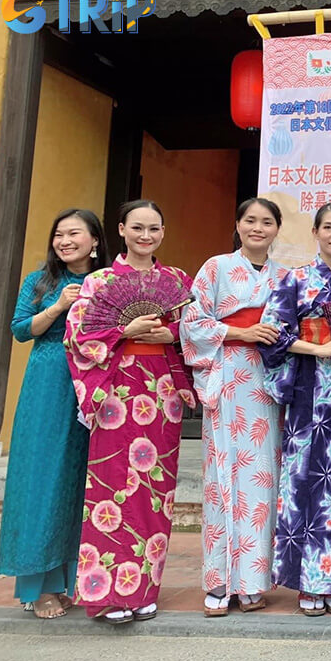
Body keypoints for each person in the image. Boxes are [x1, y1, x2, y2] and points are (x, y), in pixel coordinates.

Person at [65, 200, 196, 624]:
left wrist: (169, 330)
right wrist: (126, 330)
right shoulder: (101, 281)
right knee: (112, 486)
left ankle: (144, 589)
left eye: (154, 229)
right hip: (117, 392)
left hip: (162, 392)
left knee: (156, 491)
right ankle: (108, 594)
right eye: (137, 228)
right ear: (121, 229)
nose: (146, 236)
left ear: (163, 232)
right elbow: (79, 336)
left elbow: (195, 327)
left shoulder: (176, 280)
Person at [258, 203, 331, 617]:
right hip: (309, 398)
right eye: (329, 227)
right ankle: (307, 582)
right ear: (315, 231)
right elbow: (273, 335)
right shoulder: (296, 280)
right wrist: (317, 347)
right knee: (303, 486)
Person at [0, 209, 108, 619]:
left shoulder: (106, 281)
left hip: (95, 385)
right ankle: (35, 585)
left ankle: (66, 581)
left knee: (79, 480)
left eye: (73, 234)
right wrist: (59, 305)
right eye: (59, 234)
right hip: (49, 382)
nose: (64, 241)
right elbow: (22, 329)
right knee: (43, 477)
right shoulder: (40, 282)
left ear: (94, 240)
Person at [182, 198, 288, 617]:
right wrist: (240, 332)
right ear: (238, 225)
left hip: (267, 382)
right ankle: (219, 579)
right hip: (228, 376)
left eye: (267, 222)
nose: (258, 228)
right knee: (222, 478)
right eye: (250, 220)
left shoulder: (285, 277)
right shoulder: (216, 268)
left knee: (262, 480)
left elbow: (290, 327)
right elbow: (192, 322)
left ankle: (253, 581)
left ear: (278, 229)